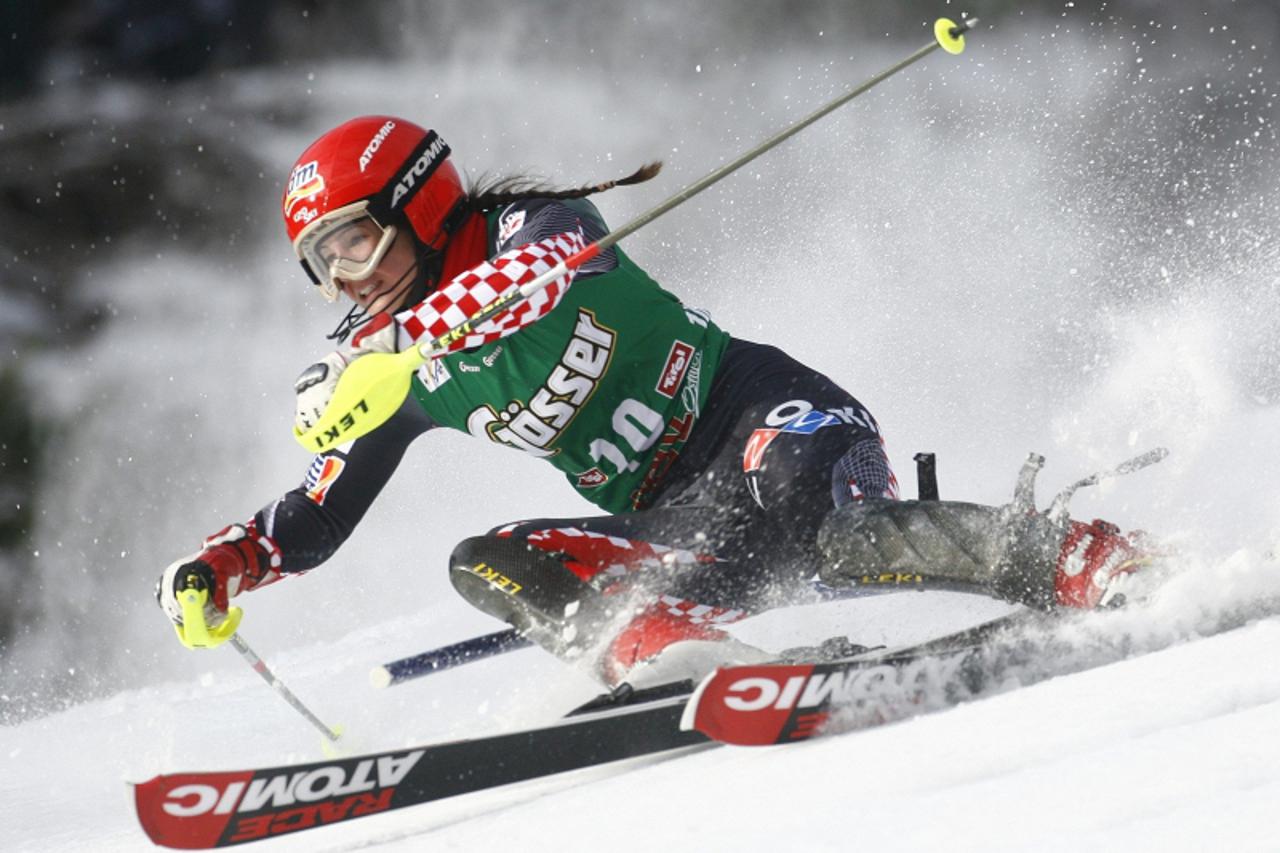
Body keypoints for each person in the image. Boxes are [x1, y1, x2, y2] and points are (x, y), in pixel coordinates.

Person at [156, 116, 1153, 688]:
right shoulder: (391, 367)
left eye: (355, 244)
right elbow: (319, 511)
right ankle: (671, 649)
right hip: (681, 517)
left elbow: (539, 277)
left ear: (418, 204)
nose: (348, 281)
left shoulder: (530, 228)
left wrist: (403, 343)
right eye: (323, 266)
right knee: (487, 560)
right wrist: (227, 561)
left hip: (768, 419)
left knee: (824, 527)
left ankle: (1076, 556)